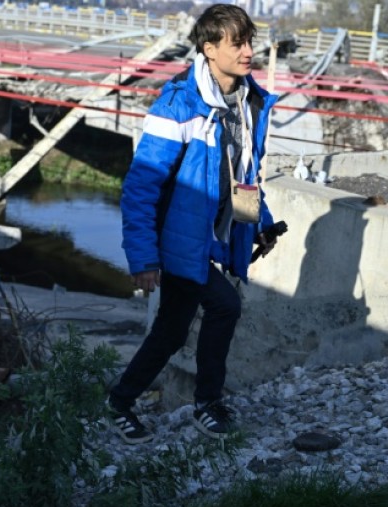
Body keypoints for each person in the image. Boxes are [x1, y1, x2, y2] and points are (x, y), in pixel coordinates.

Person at [107, 4, 279, 444]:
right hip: (176, 239)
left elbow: (244, 175)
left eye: (249, 42)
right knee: (225, 305)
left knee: (170, 330)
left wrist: (259, 222)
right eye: (237, 43)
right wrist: (143, 257)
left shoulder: (246, 102)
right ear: (208, 48)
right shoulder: (180, 102)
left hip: (205, 235)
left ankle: (120, 401)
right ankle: (207, 404)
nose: (247, 51)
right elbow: (141, 186)